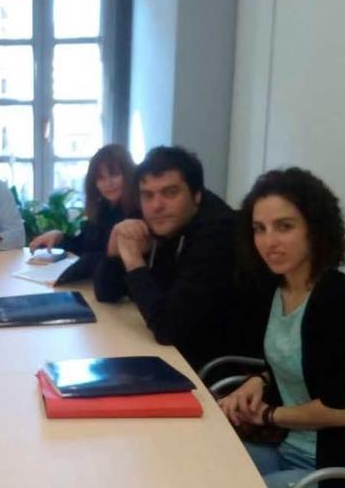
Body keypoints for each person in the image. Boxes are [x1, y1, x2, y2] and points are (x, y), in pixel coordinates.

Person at [219, 168, 345, 488]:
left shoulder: (337, 301)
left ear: (315, 229)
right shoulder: (274, 288)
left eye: (284, 227)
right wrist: (259, 380)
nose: (269, 242)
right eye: (259, 229)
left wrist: (268, 414)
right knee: (205, 464)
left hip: (340, 468)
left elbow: (342, 411)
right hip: (288, 449)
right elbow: (304, 361)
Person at [93, 146, 237, 369]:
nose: (157, 205)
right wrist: (114, 248)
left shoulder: (218, 234)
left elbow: (169, 329)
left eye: (170, 192)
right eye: (147, 195)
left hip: (212, 370)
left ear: (196, 194)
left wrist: (133, 261)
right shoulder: (154, 214)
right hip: (167, 354)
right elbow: (106, 293)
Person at [28, 144, 136, 281]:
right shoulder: (103, 208)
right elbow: (84, 246)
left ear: (128, 174)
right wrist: (59, 237)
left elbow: (104, 258)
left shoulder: (136, 215)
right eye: (101, 178)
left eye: (114, 175)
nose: (108, 183)